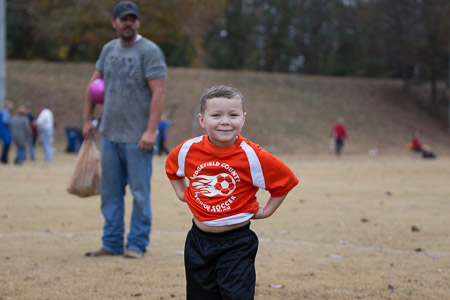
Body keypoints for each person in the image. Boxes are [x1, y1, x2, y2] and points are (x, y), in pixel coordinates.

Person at [165, 85, 299, 299]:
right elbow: (172, 168)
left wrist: (267, 211)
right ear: (202, 120)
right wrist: (182, 194)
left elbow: (285, 181)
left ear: (243, 119)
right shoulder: (188, 149)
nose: (225, 121)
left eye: (233, 115)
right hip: (197, 242)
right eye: (216, 115)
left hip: (236, 243)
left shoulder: (252, 155)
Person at [82, 1, 167, 259]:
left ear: (138, 22)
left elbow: (159, 92)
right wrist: (87, 120)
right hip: (109, 135)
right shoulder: (108, 50)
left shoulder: (149, 51)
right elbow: (93, 85)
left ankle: (137, 244)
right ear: (114, 22)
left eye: (132, 19)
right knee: (110, 194)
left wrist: (151, 131)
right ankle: (111, 243)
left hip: (137, 138)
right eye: (123, 19)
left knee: (140, 193)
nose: (128, 23)